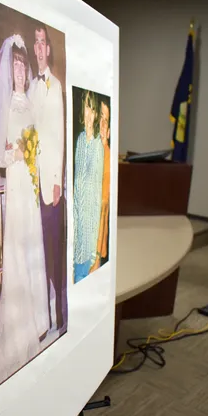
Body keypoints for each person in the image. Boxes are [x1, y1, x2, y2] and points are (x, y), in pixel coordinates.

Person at [0, 34, 50, 396]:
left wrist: (34, 155)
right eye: (17, 65)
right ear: (10, 70)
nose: (21, 71)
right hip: (19, 183)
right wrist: (19, 155)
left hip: (33, 184)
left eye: (24, 65)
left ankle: (40, 317)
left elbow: (38, 140)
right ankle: (21, 322)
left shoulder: (32, 101)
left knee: (34, 243)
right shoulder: (7, 104)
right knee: (20, 245)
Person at [27, 23, 66, 332]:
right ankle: (41, 316)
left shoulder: (55, 86)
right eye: (35, 42)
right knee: (36, 250)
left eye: (43, 42)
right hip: (31, 183)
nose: (39, 48)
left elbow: (59, 137)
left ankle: (59, 313)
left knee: (53, 250)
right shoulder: (30, 87)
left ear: (49, 49)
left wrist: (56, 181)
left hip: (50, 184)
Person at [73, 90, 104, 283]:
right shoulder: (79, 141)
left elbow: (95, 196)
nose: (89, 114)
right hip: (77, 227)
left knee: (82, 277)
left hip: (88, 230)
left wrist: (93, 245)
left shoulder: (97, 146)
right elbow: (77, 188)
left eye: (93, 110)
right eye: (87, 107)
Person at [91, 96, 111, 273]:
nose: (102, 124)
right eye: (100, 119)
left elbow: (103, 202)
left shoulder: (108, 157)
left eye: (106, 120)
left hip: (97, 244)